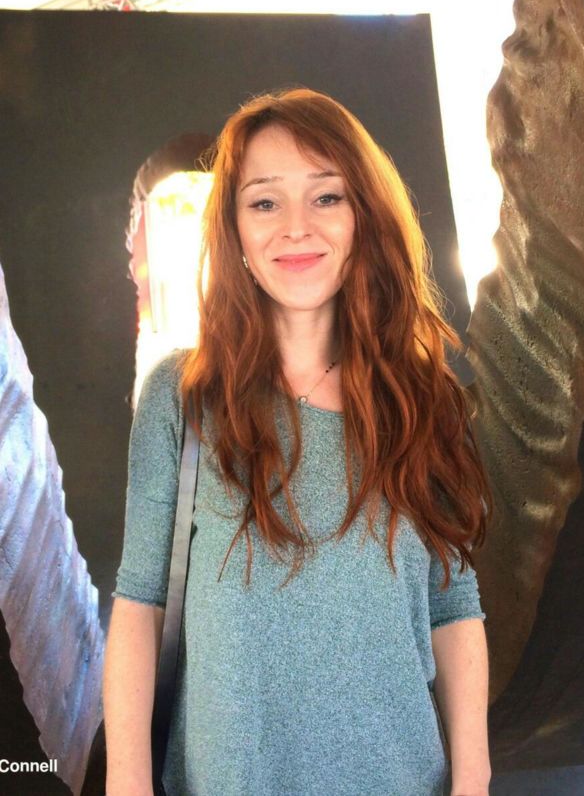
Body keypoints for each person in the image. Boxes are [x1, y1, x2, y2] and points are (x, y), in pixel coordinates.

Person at [103, 86, 493, 796]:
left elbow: (453, 604)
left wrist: (475, 780)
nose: (295, 228)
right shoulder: (182, 398)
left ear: (363, 215)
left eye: (326, 197)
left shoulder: (421, 400)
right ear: (234, 231)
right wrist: (125, 783)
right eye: (264, 202)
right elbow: (139, 602)